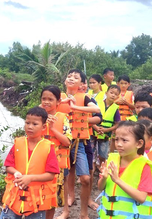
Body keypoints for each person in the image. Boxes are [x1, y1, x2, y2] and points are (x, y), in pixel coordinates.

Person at [0, 107, 59, 219]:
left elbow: (51, 174)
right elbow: (8, 166)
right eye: (27, 123)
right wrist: (16, 172)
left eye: (34, 124)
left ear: (43, 127)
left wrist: (30, 178)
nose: (30, 126)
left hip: (36, 201)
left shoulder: (48, 147)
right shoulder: (18, 143)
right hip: (14, 197)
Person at [57, 69, 100, 219]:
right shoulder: (59, 97)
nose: (71, 78)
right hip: (62, 143)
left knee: (86, 179)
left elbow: (96, 110)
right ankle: (65, 212)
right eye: (69, 76)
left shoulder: (84, 97)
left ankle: (83, 213)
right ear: (65, 81)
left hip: (80, 142)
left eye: (76, 77)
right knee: (64, 176)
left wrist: (74, 106)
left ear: (82, 84)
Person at [97, 121, 152, 218]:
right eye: (116, 139)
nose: (118, 144)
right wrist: (104, 178)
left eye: (124, 140)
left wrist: (118, 180)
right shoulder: (112, 159)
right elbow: (100, 187)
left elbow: (141, 198)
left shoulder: (144, 166)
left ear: (139, 143)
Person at [39, 85, 72, 219]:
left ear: (58, 102)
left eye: (50, 99)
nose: (46, 102)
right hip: (39, 164)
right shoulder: (37, 117)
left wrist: (52, 129)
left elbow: (68, 142)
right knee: (38, 195)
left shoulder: (63, 118)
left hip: (56, 165)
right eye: (43, 99)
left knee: (52, 197)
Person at [93, 85, 121, 168]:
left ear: (118, 97)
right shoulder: (97, 104)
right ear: (106, 93)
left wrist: (107, 129)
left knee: (103, 155)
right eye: (111, 93)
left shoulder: (115, 108)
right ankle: (92, 169)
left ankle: (102, 170)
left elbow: (117, 124)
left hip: (105, 135)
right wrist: (95, 127)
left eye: (115, 94)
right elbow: (90, 117)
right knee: (91, 154)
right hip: (93, 133)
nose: (113, 95)